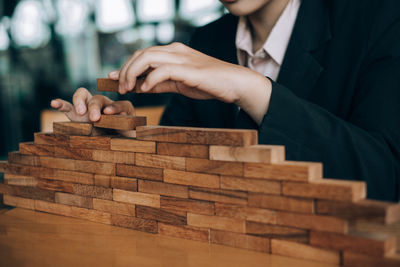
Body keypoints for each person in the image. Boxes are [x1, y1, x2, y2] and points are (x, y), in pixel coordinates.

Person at [50, 0, 400, 201]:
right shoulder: (205, 40)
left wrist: (250, 88)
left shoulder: (380, 18)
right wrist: (127, 141)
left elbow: (386, 177)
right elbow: (183, 166)